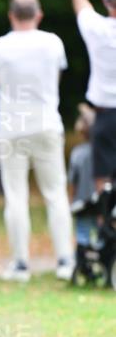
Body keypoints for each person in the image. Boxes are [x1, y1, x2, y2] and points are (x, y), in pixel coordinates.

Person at [0, 0, 74, 282]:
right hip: (47, 123)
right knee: (55, 193)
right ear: (39, 15)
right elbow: (57, 77)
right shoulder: (53, 43)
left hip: (12, 128)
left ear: (11, 15)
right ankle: (65, 260)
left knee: (16, 196)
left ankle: (21, 264)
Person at [71, 0, 116, 191]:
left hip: (106, 114)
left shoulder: (97, 29)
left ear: (106, 3)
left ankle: (107, 223)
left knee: (103, 176)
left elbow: (80, 0)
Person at [68, 104, 97, 253]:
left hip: (82, 204)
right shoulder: (104, 153)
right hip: (99, 203)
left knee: (82, 235)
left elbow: (73, 181)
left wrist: (71, 200)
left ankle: (83, 263)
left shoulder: (77, 153)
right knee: (101, 236)